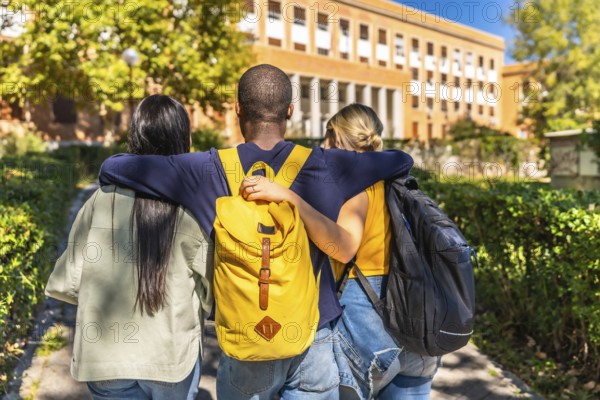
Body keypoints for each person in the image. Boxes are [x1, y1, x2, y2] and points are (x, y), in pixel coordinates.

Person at [97, 64, 414, 399]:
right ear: (290, 111)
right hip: (312, 336)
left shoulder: (202, 169)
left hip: (243, 339)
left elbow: (114, 167)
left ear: (237, 110)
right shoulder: (328, 164)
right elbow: (401, 160)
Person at [239, 103, 440, 400]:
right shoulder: (401, 181)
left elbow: (344, 248)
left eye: (326, 136)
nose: (322, 145)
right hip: (419, 327)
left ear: (335, 136)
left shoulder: (359, 184)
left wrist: (290, 198)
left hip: (371, 326)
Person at [45, 95, 213, 400]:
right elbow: (211, 291)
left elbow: (68, 281)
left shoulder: (98, 200)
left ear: (135, 135)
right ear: (182, 138)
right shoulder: (191, 207)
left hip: (106, 360)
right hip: (171, 360)